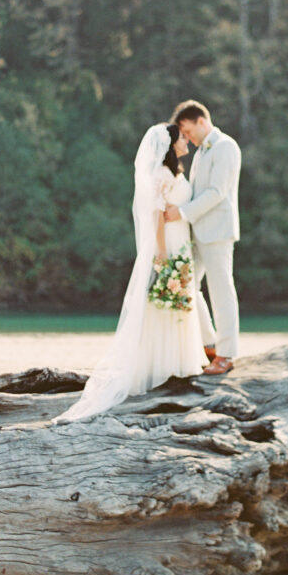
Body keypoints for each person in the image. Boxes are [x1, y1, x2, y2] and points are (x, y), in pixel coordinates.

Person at [58, 123, 208, 421]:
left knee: (177, 300)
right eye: (182, 138)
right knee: (163, 302)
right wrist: (162, 252)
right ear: (170, 144)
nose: (187, 141)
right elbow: (155, 215)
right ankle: (161, 366)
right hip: (169, 244)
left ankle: (180, 361)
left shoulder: (175, 171)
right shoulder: (163, 175)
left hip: (181, 241)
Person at [165, 100, 241, 375]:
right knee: (188, 288)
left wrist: (182, 212)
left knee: (222, 291)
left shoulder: (225, 147)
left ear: (201, 121)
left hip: (218, 230)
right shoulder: (201, 152)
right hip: (197, 232)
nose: (186, 138)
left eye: (187, 131)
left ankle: (227, 354)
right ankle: (209, 344)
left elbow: (217, 192)